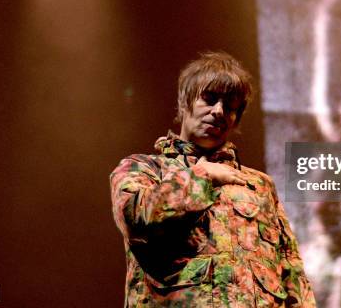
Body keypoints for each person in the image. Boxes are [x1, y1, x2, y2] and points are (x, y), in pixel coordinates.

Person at [110, 51, 316, 307]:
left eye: (230, 106)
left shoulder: (259, 184)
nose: (218, 111)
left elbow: (291, 270)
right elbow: (134, 220)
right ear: (185, 101)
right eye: (209, 99)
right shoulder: (143, 169)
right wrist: (201, 176)